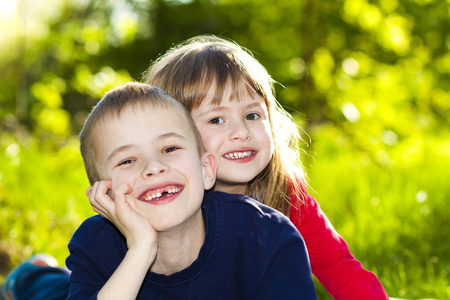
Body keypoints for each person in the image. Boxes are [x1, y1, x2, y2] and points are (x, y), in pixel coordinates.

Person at [143, 35, 389, 300]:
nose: (242, 132)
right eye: (216, 119)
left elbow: (336, 265)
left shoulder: (285, 193)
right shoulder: (162, 202)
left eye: (252, 115)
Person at [65, 82, 317, 299]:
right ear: (105, 194)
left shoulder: (266, 237)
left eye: (170, 149)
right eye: (127, 161)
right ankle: (38, 271)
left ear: (206, 169)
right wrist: (141, 249)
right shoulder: (94, 245)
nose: (154, 167)